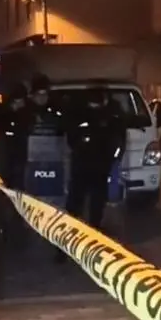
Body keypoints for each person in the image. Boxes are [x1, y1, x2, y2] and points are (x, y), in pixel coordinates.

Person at [62, 88, 125, 230]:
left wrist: (113, 157)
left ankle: (89, 227)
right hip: (86, 165)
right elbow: (72, 139)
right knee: (80, 199)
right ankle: (77, 226)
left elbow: (117, 140)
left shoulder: (109, 118)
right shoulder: (83, 116)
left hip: (96, 166)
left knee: (94, 201)